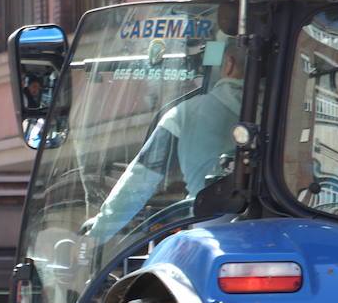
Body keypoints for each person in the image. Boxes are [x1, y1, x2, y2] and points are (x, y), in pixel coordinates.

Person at [85, 44, 245, 244]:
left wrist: (96, 235)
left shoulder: (185, 114)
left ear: (229, 64)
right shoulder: (282, 117)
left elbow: (138, 182)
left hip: (210, 235)